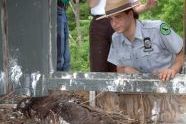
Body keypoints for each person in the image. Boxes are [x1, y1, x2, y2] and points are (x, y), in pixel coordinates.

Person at [102, 0, 184, 81]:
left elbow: (181, 51)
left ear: (130, 14)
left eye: (118, 17)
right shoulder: (116, 38)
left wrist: (173, 69)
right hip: (140, 88)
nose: (113, 23)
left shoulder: (157, 28)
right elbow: (120, 68)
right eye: (110, 19)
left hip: (169, 83)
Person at [88, 0, 157, 72]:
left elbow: (135, 8)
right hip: (100, 24)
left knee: (122, 66)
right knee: (98, 66)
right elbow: (92, 4)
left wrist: (146, 6)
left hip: (123, 20)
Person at [57, 0, 70, 71]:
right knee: (60, 51)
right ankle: (58, 77)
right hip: (57, 8)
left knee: (66, 58)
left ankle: (65, 76)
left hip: (63, 10)